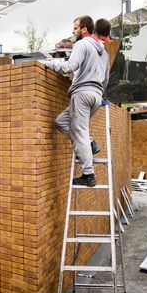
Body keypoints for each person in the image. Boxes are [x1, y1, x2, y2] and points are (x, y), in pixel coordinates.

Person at [44, 15, 109, 187]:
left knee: (80, 133)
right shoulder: (102, 50)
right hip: (96, 96)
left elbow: (69, 67)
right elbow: (106, 77)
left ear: (84, 29)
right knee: (61, 122)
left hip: (82, 94)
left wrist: (47, 62)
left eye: (75, 28)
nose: (73, 31)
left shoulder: (82, 44)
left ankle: (88, 175)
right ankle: (89, 143)